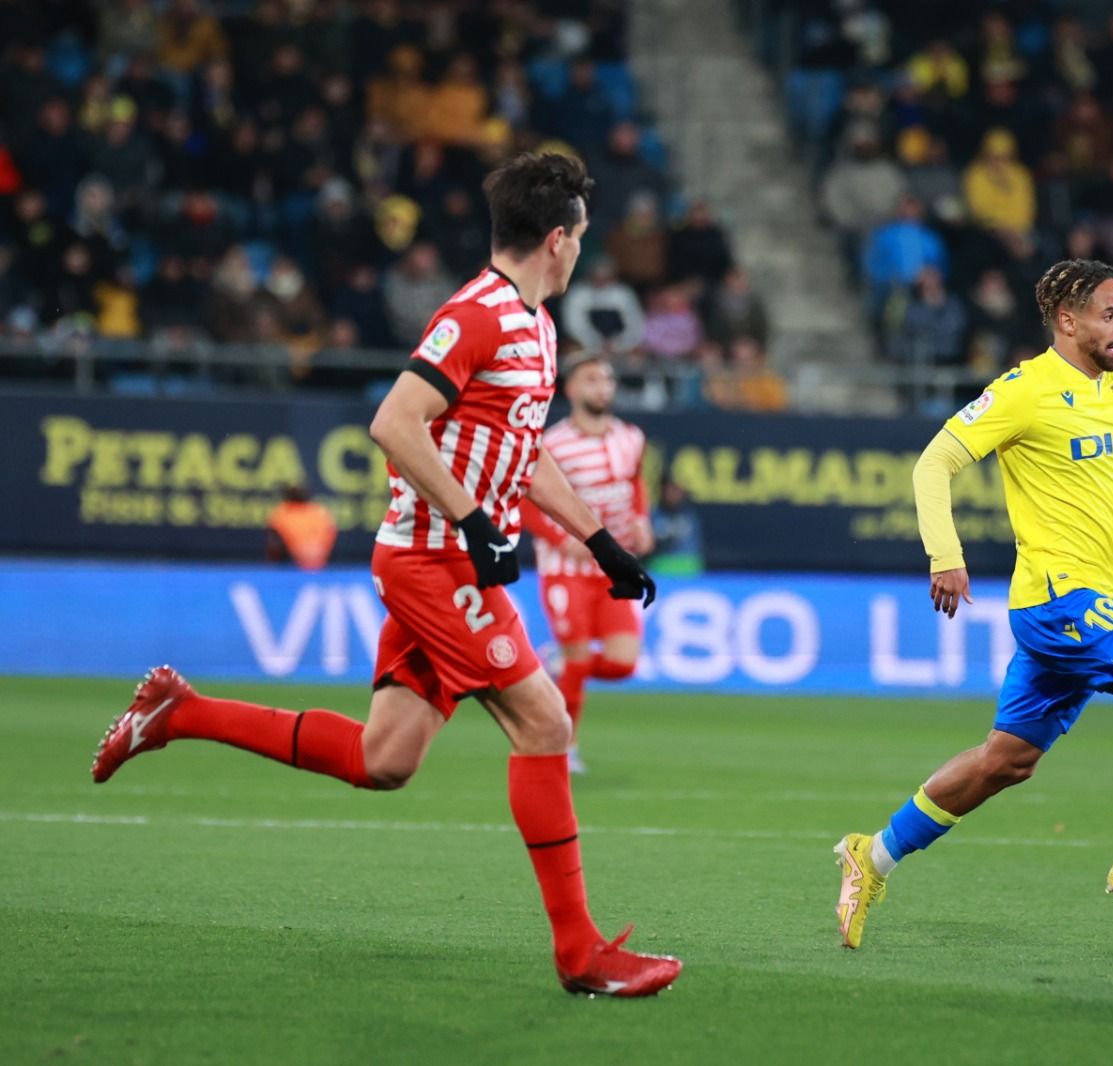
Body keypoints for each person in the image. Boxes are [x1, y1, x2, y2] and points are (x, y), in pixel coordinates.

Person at [90, 152, 682, 998]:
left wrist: (599, 540)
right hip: (436, 562)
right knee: (546, 725)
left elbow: (519, 454)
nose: (582, 251)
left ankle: (180, 715)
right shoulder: (476, 314)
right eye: (581, 237)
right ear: (557, 239)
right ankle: (580, 953)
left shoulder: (540, 326)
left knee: (386, 758)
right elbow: (394, 421)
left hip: (449, 559)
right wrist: (476, 523)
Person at [833, 259, 1113, 949]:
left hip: (1074, 610)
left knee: (1007, 761)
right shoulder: (1024, 390)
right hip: (1062, 604)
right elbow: (933, 462)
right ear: (1068, 320)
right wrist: (945, 554)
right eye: (1110, 313)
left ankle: (871, 855)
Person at [521, 353, 651, 775]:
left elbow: (633, 484)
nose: (603, 387)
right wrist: (562, 536)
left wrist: (641, 520)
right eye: (592, 379)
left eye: (608, 379)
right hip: (565, 567)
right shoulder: (552, 444)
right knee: (577, 656)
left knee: (623, 661)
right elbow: (524, 499)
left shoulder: (631, 437)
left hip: (609, 568)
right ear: (571, 389)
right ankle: (567, 747)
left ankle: (559, 664)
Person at [265, 485, 338, 570]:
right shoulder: (320, 512)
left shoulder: (283, 512)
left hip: (295, 564)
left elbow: (274, 546)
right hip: (317, 564)